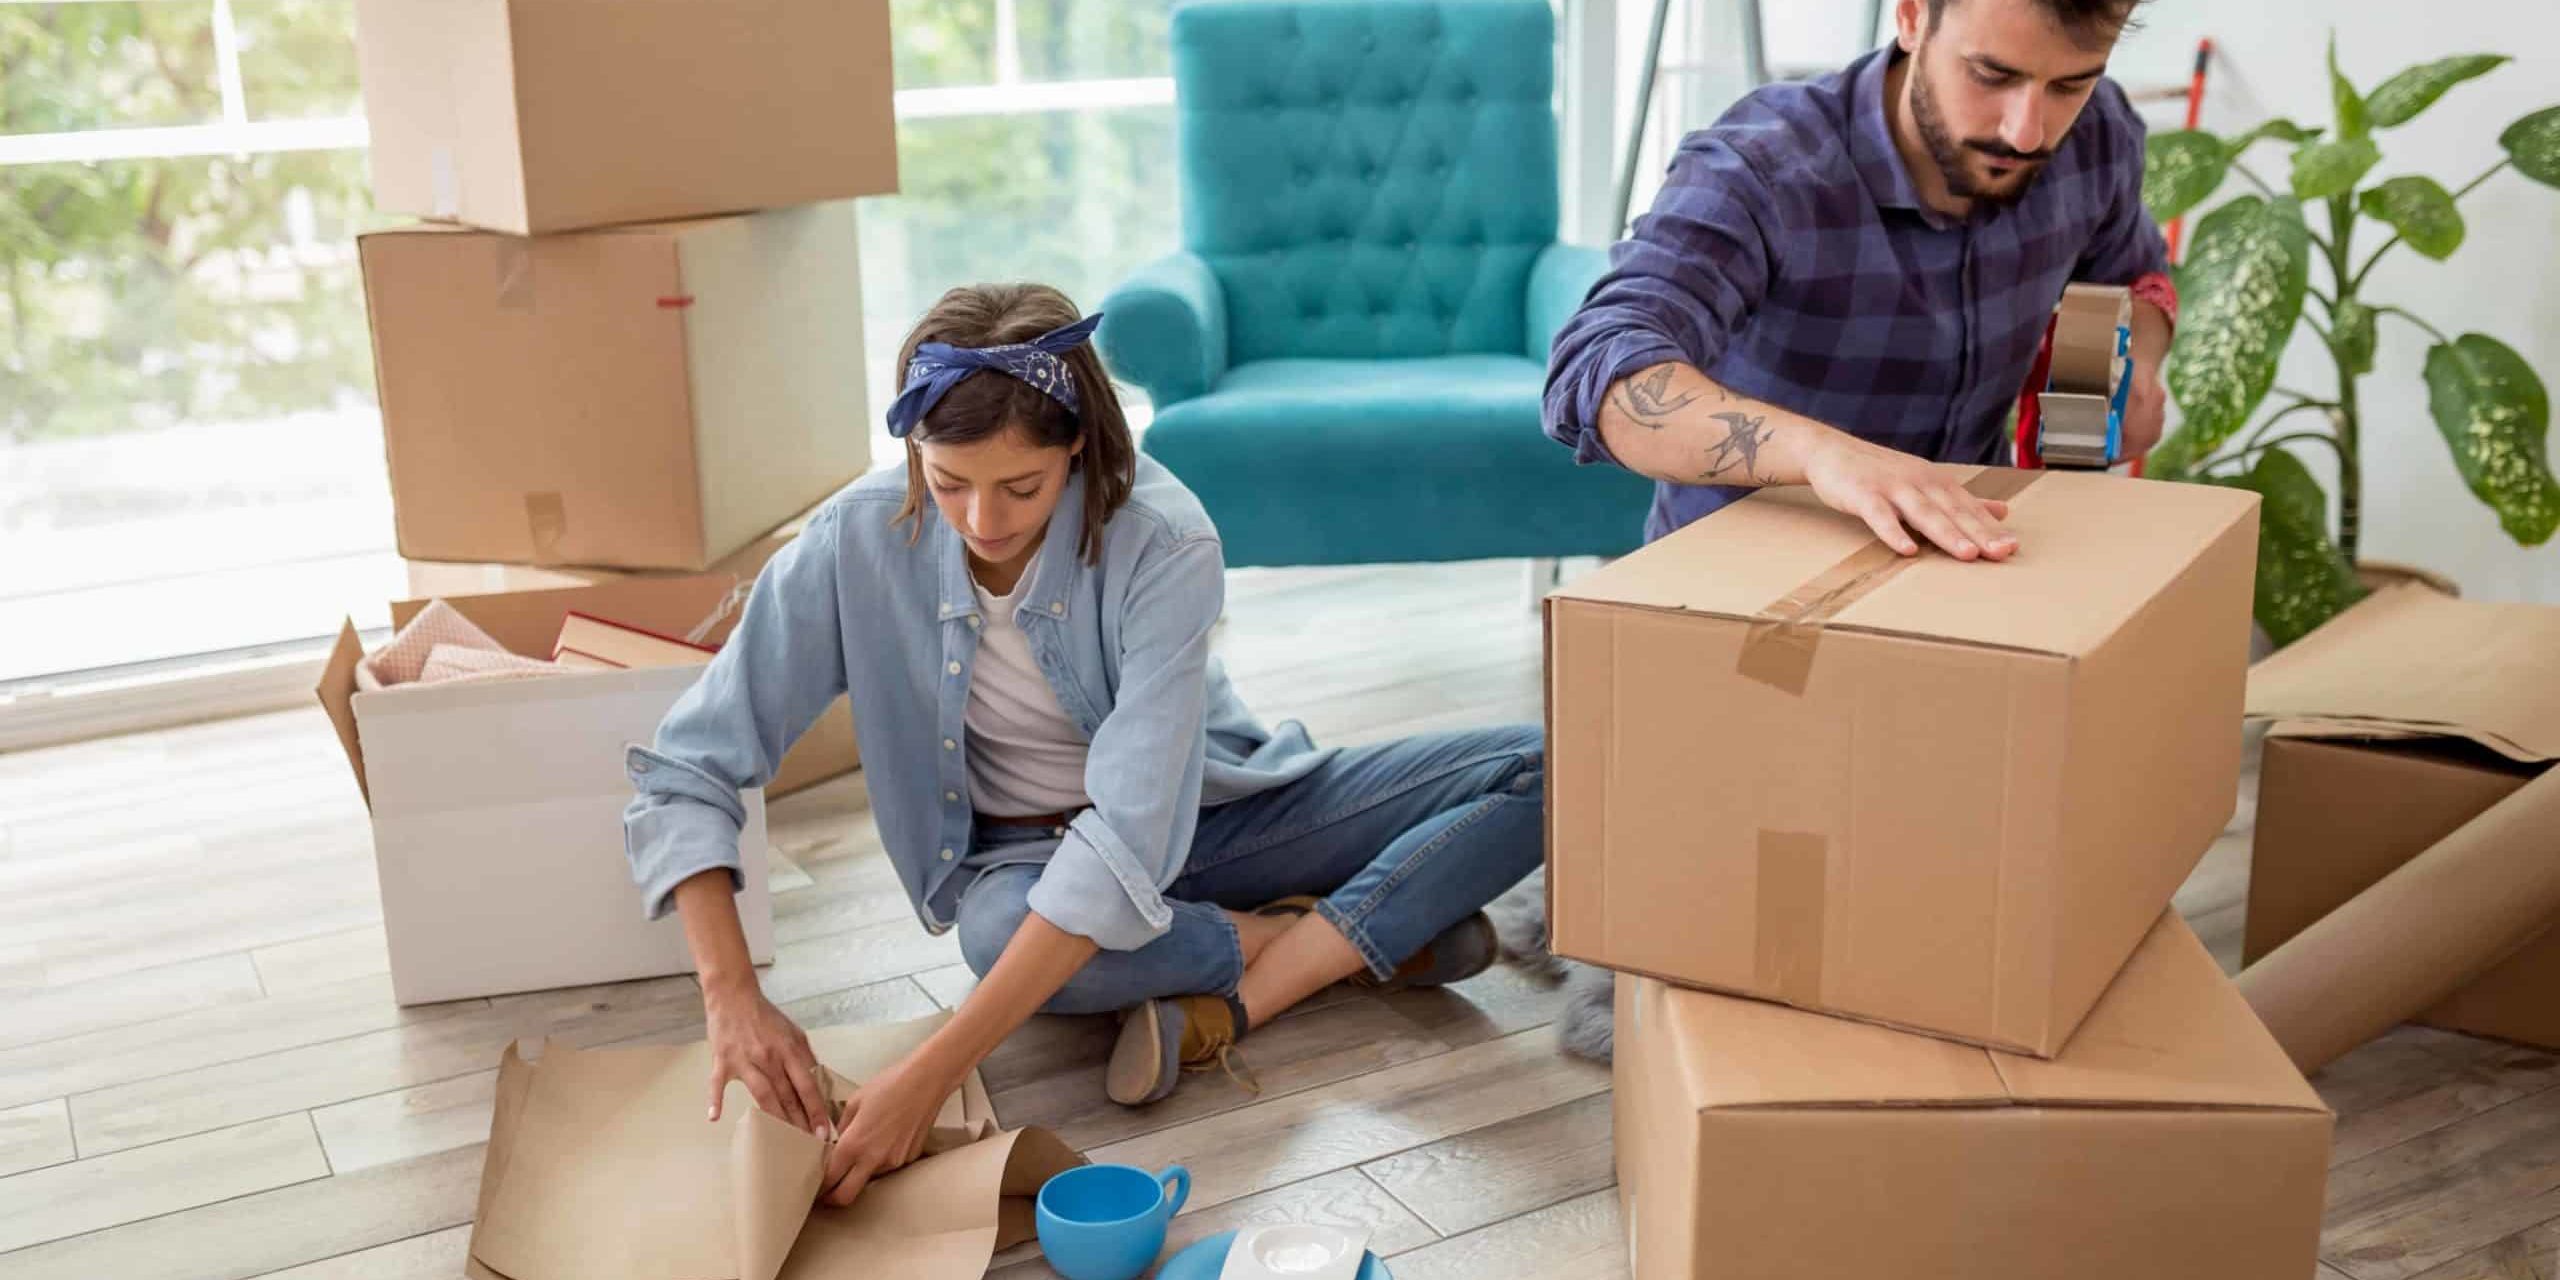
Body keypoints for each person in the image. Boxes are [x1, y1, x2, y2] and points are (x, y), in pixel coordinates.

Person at [624, 283, 1544, 1208]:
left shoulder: (1164, 538)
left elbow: (1130, 837)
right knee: (997, 934)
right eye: (948, 484)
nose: (982, 522)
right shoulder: (853, 538)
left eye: (1020, 488)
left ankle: (1253, 989)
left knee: (1548, 768)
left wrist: (931, 1070)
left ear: (1076, 445)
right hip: (1023, 860)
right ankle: (1338, 933)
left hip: (1217, 813)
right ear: (913, 453)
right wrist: (730, 997)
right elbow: (686, 766)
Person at [1544, 0, 2178, 557]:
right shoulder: (1762, 167)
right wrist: (1822, 457)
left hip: (1970, 564)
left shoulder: (2097, 137)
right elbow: (1595, 368)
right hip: (1733, 589)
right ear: (1912, 16)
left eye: (2069, 85)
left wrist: (2129, 373)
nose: (2026, 131)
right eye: (1992, 75)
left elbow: (2134, 279)